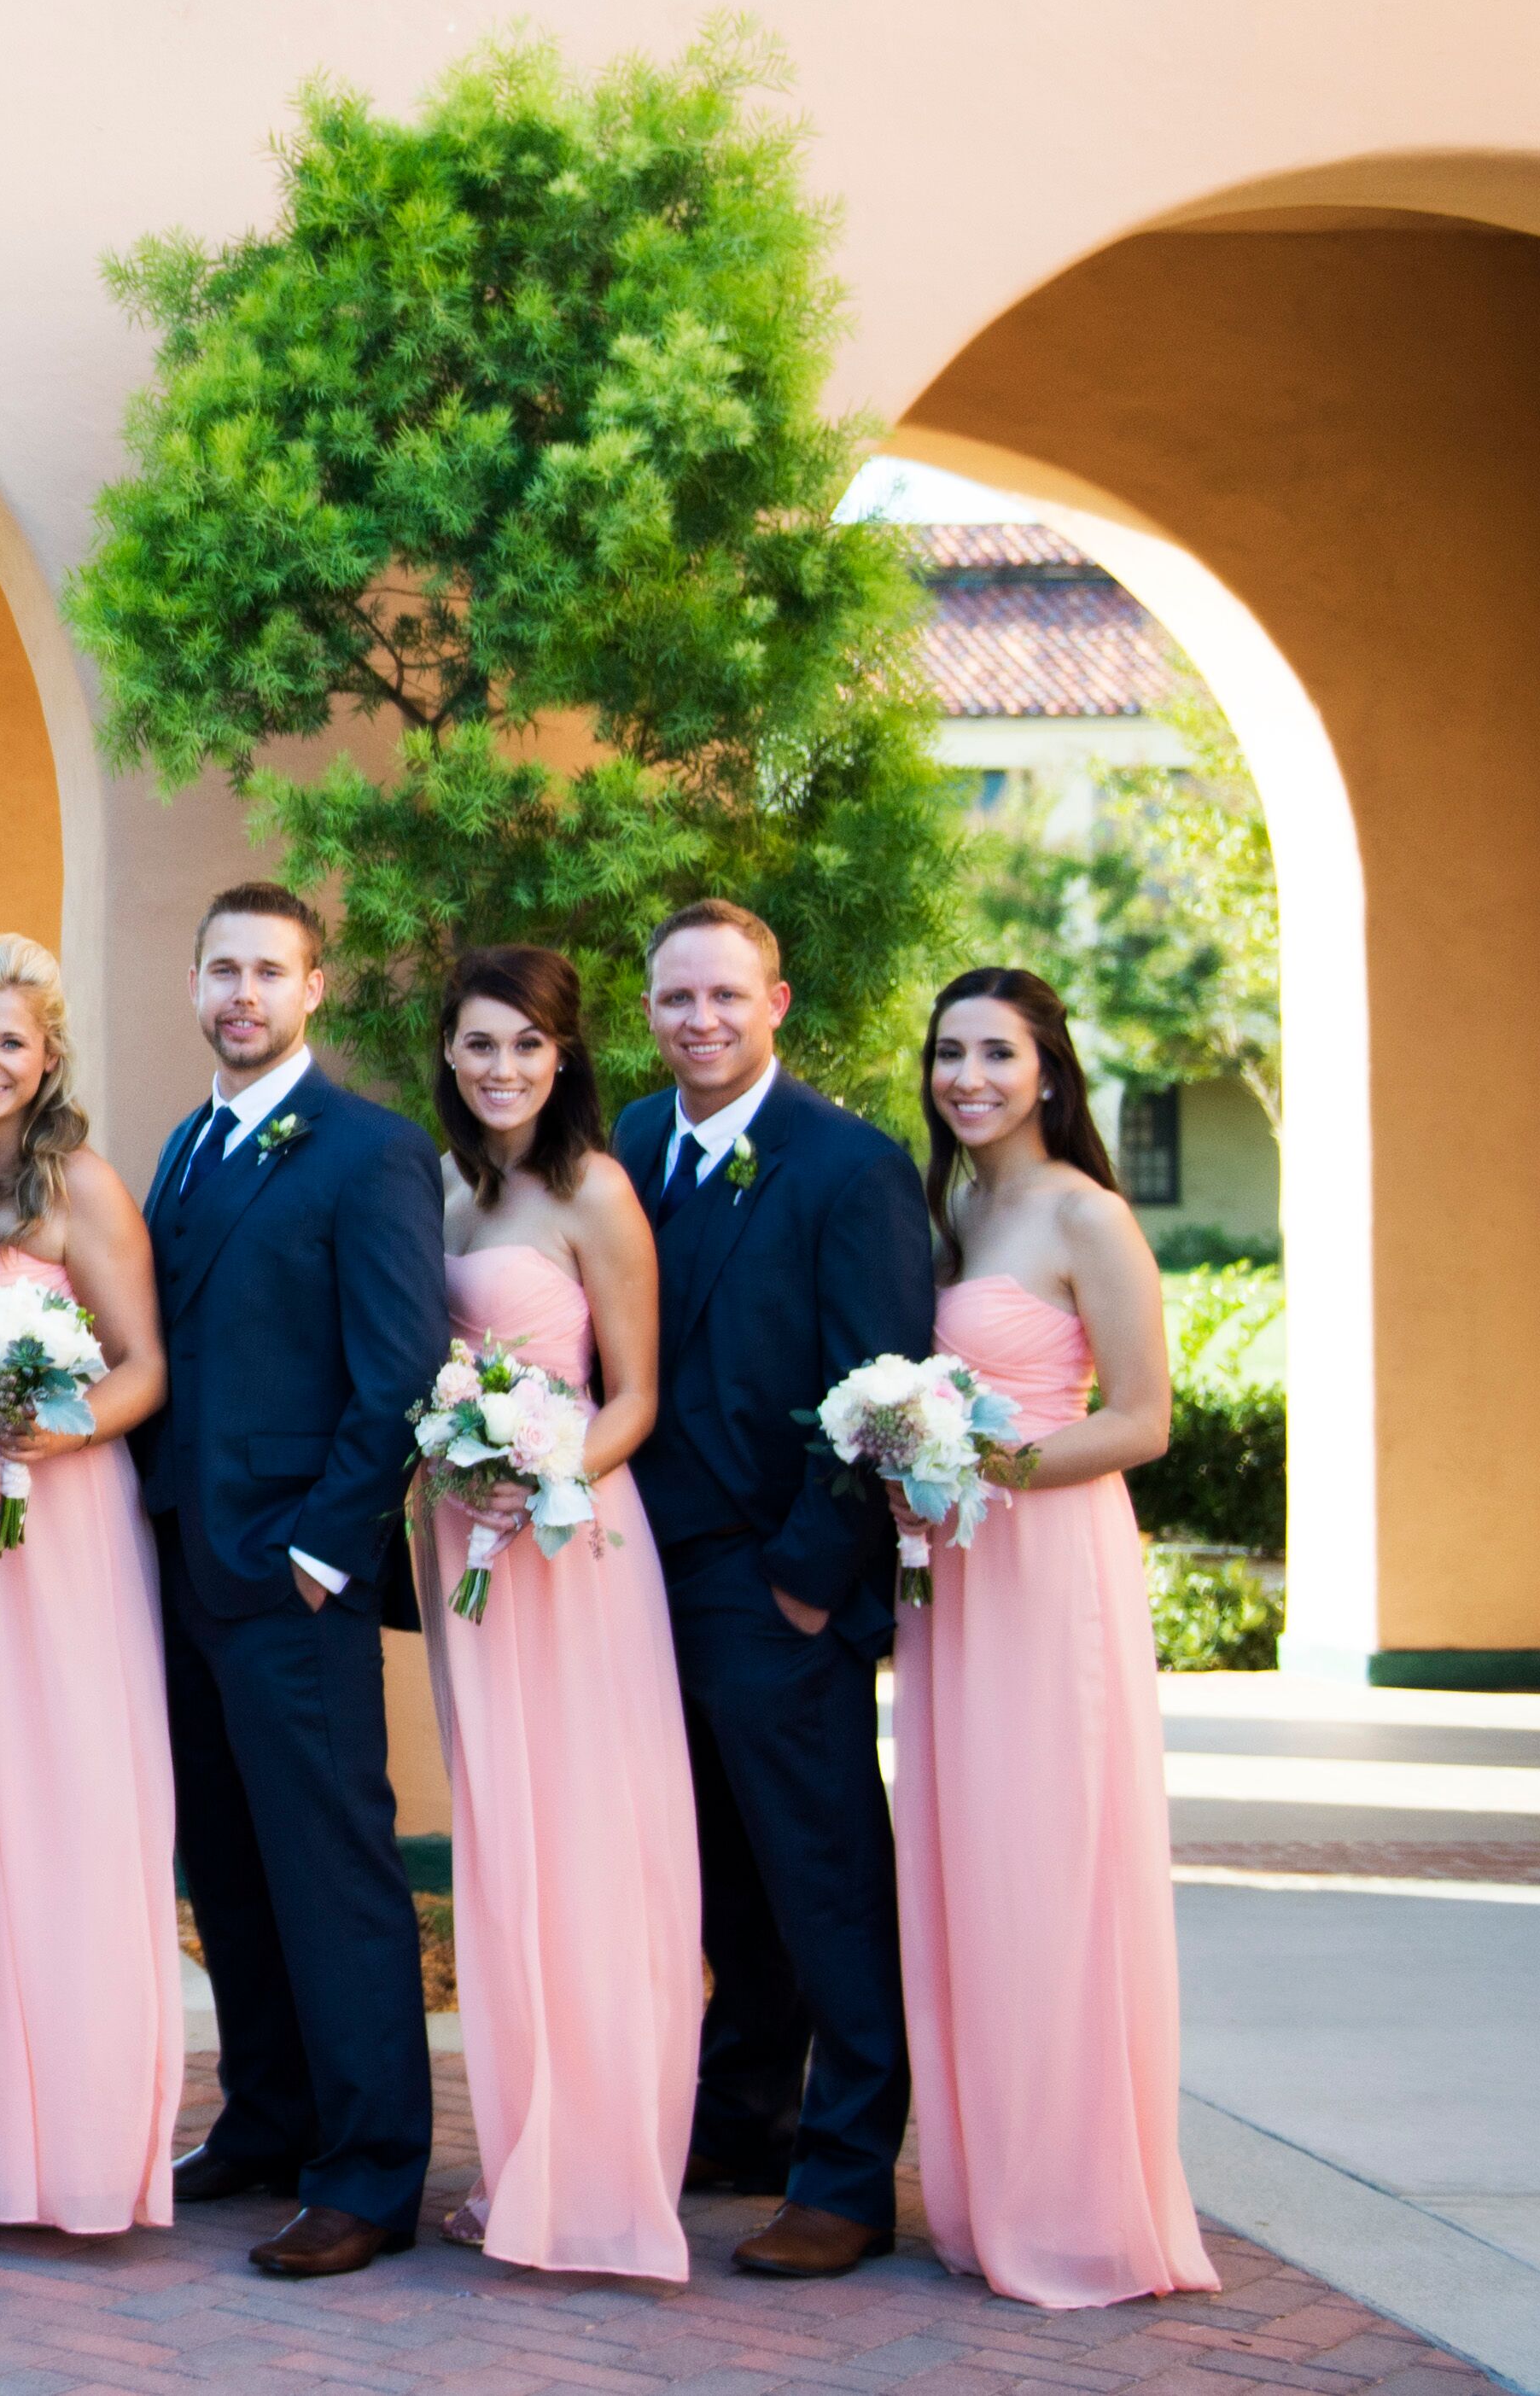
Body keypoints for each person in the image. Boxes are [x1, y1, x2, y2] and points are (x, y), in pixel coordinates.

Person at [614, 899, 931, 2280]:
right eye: (678, 999)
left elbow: (883, 1390)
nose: (702, 1021)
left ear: (778, 1002)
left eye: (726, 997)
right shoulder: (627, 1145)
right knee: (724, 1873)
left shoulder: (851, 1166)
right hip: (642, 1577)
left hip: (774, 1582)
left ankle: (850, 2173)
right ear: (650, 1011)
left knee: (824, 1879)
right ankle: (743, 2116)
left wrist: (809, 1580)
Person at [897, 968, 1218, 2308]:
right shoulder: (957, 1204)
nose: (967, 1076)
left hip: (1049, 1560)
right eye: (949, 1054)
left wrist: (995, 1461)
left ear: (1048, 1071)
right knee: (968, 1858)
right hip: (957, 1570)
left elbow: (1144, 1417)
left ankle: (1080, 2204)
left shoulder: (1088, 1212)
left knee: (1051, 1859)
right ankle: (992, 2185)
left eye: (995, 1053)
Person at [141, 883, 447, 2280]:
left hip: (292, 1580)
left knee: (334, 1872)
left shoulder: (370, 1151)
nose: (243, 992)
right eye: (223, 969)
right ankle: (266, 2115)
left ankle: (371, 2170)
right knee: (238, 1871)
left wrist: (326, 1553)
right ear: (196, 983)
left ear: (313, 988)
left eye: (270, 969)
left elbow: (394, 1369)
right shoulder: (184, 1149)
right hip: (185, 1574)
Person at [418, 947, 693, 2282]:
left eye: (526, 1045)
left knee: (584, 1838)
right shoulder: (444, 1190)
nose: (502, 1068)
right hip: (463, 1545)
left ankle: (593, 2162)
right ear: (450, 1056)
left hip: (571, 1544)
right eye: (479, 1044)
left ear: (566, 1055)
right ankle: (517, 2143)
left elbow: (636, 1396)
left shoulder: (596, 1191)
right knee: (504, 1838)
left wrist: (538, 1479)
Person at [0, 936, 181, 2240]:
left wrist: (60, 1426)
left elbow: (141, 1365)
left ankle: (90, 2144)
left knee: (79, 1804)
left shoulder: (84, 1183)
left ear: (49, 1053)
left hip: (65, 1524)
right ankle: (2, 2137)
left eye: (12, 1041)